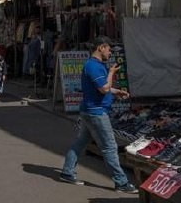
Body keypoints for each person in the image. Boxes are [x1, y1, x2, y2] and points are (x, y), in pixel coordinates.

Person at [59, 35, 138, 194]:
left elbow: (102, 88)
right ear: (101, 47)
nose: (110, 52)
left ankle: (67, 171)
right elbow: (103, 88)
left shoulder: (94, 65)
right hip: (96, 112)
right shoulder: (94, 66)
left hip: (90, 111)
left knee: (81, 142)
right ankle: (121, 182)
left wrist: (116, 92)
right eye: (109, 48)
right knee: (110, 147)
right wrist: (111, 73)